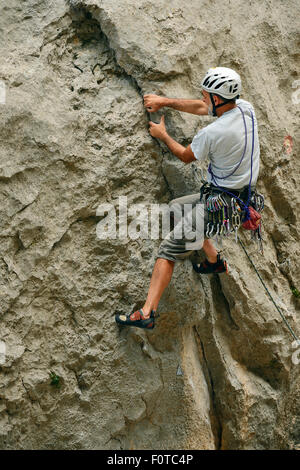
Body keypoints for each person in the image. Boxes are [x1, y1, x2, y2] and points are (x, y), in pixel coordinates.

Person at [115, 67, 260, 330]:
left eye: (206, 95)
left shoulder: (213, 133)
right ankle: (215, 262)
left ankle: (148, 312)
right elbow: (202, 108)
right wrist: (165, 102)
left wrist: (162, 135)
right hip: (239, 201)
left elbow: (185, 155)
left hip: (219, 205)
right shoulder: (245, 109)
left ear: (217, 98)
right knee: (177, 207)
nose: (203, 99)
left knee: (168, 249)